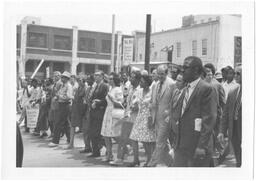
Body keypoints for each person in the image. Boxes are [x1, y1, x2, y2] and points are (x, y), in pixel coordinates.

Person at [172, 56, 217, 167]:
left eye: (186, 67)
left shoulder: (206, 89)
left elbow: (209, 119)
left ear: (196, 70)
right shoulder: (185, 89)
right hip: (181, 146)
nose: (182, 70)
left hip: (197, 147)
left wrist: (201, 146)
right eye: (182, 67)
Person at [109, 70, 141, 166]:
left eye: (133, 77)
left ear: (138, 79)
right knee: (123, 138)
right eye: (130, 77)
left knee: (133, 140)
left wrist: (134, 107)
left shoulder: (140, 90)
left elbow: (138, 104)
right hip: (127, 116)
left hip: (135, 117)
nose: (130, 79)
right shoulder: (130, 88)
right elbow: (126, 102)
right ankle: (120, 158)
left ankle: (135, 159)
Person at [148, 64, 176, 167]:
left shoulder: (172, 84)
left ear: (167, 73)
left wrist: (169, 114)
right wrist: (150, 116)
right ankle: (172, 162)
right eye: (158, 74)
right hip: (156, 117)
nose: (160, 76)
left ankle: (152, 163)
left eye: (162, 74)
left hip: (166, 118)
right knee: (164, 142)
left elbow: (175, 101)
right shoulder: (155, 84)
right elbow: (152, 100)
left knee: (160, 141)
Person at [129, 75, 156, 167]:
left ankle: (149, 160)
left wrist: (152, 117)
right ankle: (136, 160)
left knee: (146, 141)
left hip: (148, 117)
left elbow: (154, 105)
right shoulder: (139, 91)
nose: (140, 83)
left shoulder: (152, 92)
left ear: (147, 83)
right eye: (140, 81)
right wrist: (134, 106)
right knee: (133, 138)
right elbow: (135, 102)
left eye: (142, 81)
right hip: (139, 116)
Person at [218, 64, 242, 167]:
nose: (235, 76)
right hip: (234, 129)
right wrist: (222, 132)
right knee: (238, 157)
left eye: (238, 73)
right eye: (235, 73)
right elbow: (226, 114)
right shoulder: (233, 92)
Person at [204, 63, 226, 165]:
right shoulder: (203, 83)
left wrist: (222, 115)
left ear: (212, 72)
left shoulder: (217, 84)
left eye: (209, 71)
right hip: (205, 115)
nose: (208, 73)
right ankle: (212, 156)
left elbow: (223, 102)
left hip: (216, 115)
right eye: (206, 71)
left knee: (217, 136)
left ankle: (223, 154)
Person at [101, 72, 124, 162]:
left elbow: (120, 103)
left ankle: (124, 148)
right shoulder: (110, 88)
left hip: (114, 112)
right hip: (108, 112)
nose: (109, 80)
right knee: (106, 135)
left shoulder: (118, 89)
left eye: (111, 79)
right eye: (109, 79)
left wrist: (112, 99)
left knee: (114, 134)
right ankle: (109, 154)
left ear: (115, 80)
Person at [48, 71, 73, 147]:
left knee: (58, 123)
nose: (62, 78)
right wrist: (57, 96)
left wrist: (59, 97)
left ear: (67, 78)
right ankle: (69, 139)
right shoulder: (62, 85)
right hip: (61, 104)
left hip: (65, 105)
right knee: (65, 123)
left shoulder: (68, 86)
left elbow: (69, 97)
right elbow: (59, 93)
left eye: (63, 77)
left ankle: (55, 141)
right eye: (62, 77)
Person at [87, 71, 109, 157]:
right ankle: (95, 151)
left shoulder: (104, 86)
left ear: (102, 77)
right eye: (95, 75)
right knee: (92, 132)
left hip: (100, 112)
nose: (96, 77)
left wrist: (98, 103)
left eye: (98, 75)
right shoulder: (95, 86)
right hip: (93, 111)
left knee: (98, 133)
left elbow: (106, 100)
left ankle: (108, 150)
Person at [66, 75, 86, 149]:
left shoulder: (85, 88)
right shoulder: (78, 88)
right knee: (72, 126)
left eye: (80, 80)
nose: (79, 82)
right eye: (78, 80)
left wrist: (72, 97)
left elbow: (81, 98)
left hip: (81, 110)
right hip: (75, 108)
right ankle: (71, 143)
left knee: (84, 129)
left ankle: (87, 145)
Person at [169, 73, 186, 149]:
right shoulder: (175, 91)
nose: (176, 82)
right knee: (172, 142)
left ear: (185, 82)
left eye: (179, 81)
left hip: (180, 123)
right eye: (176, 80)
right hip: (172, 122)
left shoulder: (186, 93)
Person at [80, 75, 94, 153]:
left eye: (89, 80)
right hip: (86, 111)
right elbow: (85, 100)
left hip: (93, 112)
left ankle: (98, 147)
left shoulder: (95, 88)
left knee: (92, 131)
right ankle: (87, 147)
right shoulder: (88, 89)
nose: (87, 81)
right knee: (85, 130)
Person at [48, 71, 62, 138]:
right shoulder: (55, 83)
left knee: (56, 120)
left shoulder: (60, 83)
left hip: (57, 103)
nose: (55, 77)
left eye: (57, 76)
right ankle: (53, 133)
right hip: (52, 103)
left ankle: (56, 134)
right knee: (51, 119)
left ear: (60, 76)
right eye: (54, 76)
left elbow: (59, 93)